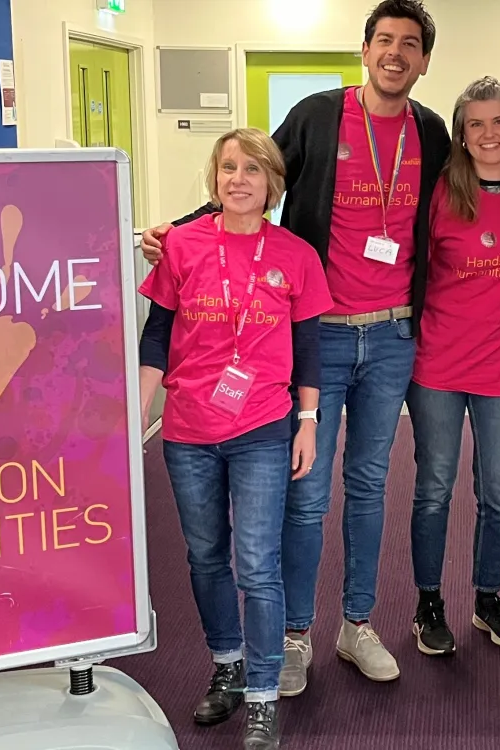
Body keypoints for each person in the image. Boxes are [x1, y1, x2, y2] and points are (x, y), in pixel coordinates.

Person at [142, 0, 450, 692]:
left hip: (395, 333)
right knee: (305, 495)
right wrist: (181, 229)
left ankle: (357, 625)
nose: (395, 53)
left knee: (369, 487)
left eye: (410, 44)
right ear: (364, 50)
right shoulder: (319, 115)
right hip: (320, 338)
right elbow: (249, 178)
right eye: (384, 41)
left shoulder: (431, 132)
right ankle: (296, 635)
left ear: (424, 60)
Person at [136, 127, 332, 750]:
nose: (238, 178)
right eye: (227, 168)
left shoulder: (296, 254)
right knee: (205, 558)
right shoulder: (182, 246)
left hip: (262, 429)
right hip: (188, 429)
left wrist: (308, 422)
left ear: (273, 182)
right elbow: (156, 335)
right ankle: (227, 663)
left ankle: (264, 694)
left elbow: (309, 350)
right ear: (213, 178)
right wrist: (133, 418)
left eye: (251, 168)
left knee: (257, 564)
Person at [407, 76, 500, 657]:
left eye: (499, 122)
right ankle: (428, 603)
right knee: (434, 489)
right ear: (461, 135)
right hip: (437, 364)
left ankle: (488, 598)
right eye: (475, 124)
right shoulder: (440, 190)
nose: (488, 134)